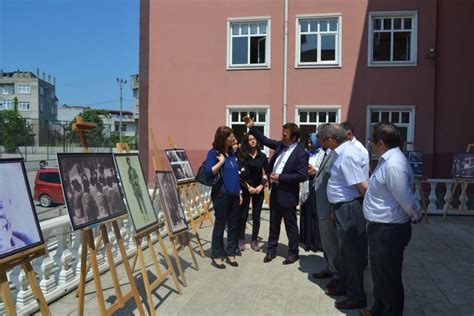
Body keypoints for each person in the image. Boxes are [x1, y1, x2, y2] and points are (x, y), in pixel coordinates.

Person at [360, 122, 422, 316]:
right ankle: (379, 309)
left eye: (371, 140)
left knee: (389, 278)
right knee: (380, 276)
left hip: (388, 231)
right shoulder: (386, 160)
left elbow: (405, 198)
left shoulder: (394, 164)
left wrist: (415, 214)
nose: (369, 143)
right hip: (381, 228)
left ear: (380, 142)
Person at [244, 116, 308, 265]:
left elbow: (302, 176)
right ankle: (271, 250)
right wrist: (252, 127)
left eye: (285, 135)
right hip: (276, 192)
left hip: (288, 194)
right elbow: (265, 140)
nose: (281, 136)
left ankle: (293, 253)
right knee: (274, 223)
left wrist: (281, 177)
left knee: (290, 226)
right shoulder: (280, 145)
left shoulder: (301, 153)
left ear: (293, 137)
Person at [326, 123, 369, 310]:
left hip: (350, 209)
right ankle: (347, 286)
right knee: (345, 252)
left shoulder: (347, 154)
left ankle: (356, 295)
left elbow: (362, 186)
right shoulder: (341, 153)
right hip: (342, 208)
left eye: (323, 139)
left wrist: (368, 211)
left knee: (352, 255)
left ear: (331, 139)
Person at [311, 124, 344, 296]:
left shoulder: (340, 154)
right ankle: (330, 268)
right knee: (327, 241)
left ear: (330, 139)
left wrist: (332, 207)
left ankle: (337, 274)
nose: (319, 142)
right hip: (323, 205)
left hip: (329, 206)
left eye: (321, 139)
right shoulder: (330, 152)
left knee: (332, 242)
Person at [204, 126, 241, 269]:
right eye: (230, 136)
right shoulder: (214, 153)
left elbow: (235, 176)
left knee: (233, 225)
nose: (233, 138)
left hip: (234, 195)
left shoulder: (232, 154)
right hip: (221, 195)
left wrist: (240, 193)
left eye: (233, 135)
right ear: (223, 139)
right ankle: (217, 254)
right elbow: (208, 172)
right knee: (220, 225)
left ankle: (231, 252)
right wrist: (220, 162)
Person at [237, 132, 268, 252]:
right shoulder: (242, 156)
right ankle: (241, 239)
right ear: (247, 142)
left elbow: (268, 172)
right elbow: (239, 175)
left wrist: (261, 186)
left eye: (254, 139)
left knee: (256, 216)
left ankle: (254, 240)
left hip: (259, 189)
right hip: (246, 188)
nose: (253, 141)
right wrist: (248, 187)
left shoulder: (262, 156)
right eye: (250, 139)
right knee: (243, 215)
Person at [299, 132, 324, 252]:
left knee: (316, 213)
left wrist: (315, 170)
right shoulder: (307, 153)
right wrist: (306, 170)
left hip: (317, 185)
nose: (309, 144)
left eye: (311, 142)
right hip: (306, 183)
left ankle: (316, 242)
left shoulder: (324, 153)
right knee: (306, 212)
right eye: (308, 142)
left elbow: (325, 170)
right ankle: (306, 241)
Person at [126, 157, 149, 221]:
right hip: (134, 188)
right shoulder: (128, 171)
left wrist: (136, 180)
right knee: (138, 202)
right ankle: (143, 216)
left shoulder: (133, 169)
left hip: (138, 187)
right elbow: (129, 180)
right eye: (128, 162)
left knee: (143, 201)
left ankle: (147, 215)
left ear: (130, 161)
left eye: (129, 161)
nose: (129, 163)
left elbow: (137, 176)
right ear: (127, 163)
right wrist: (133, 181)